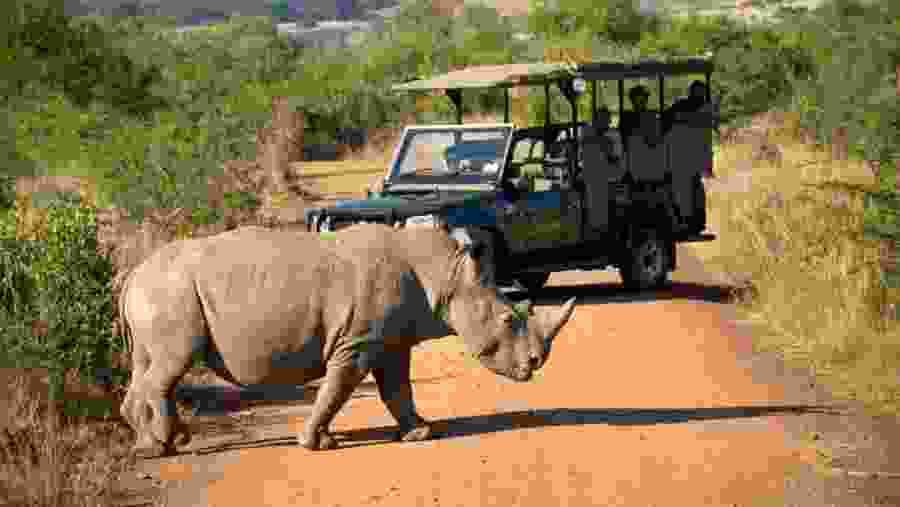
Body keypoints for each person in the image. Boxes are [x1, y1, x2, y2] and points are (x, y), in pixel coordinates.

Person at [618, 85, 655, 150]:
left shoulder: (651, 117)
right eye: (640, 99)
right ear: (632, 100)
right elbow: (621, 137)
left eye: (645, 98)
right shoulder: (626, 117)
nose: (643, 101)